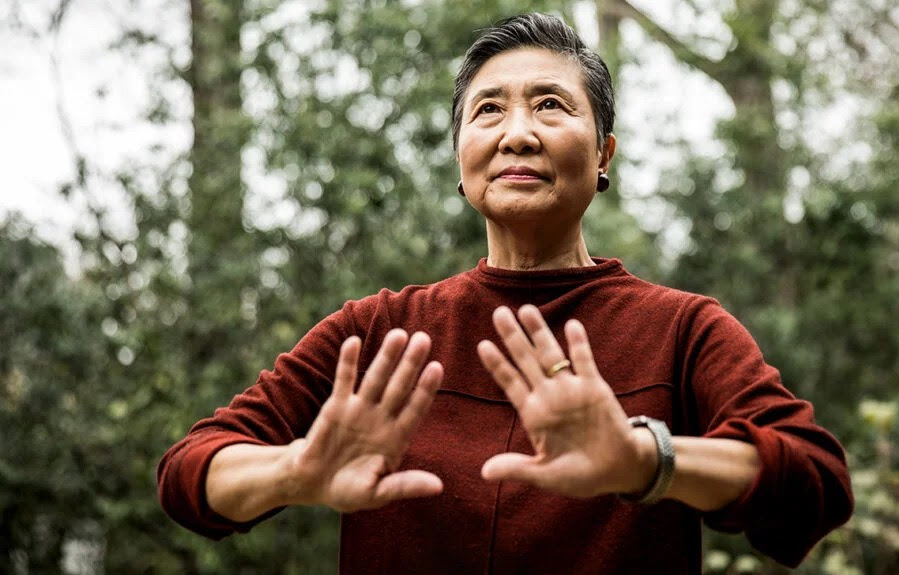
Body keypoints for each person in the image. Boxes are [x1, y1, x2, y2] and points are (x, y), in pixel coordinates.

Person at [158, 12, 853, 574]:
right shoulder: (378, 330)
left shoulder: (681, 329)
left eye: (550, 105)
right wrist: (293, 470)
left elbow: (814, 479)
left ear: (604, 154)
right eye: (488, 111)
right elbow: (192, 469)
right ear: (461, 162)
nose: (518, 133)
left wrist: (648, 459)